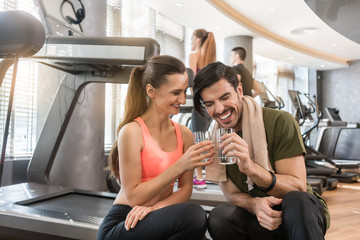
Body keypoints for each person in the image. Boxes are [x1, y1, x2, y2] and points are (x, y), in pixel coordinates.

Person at [192, 62, 329, 240]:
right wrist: (254, 204)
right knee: (220, 217)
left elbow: (298, 186)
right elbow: (231, 194)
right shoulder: (215, 137)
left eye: (225, 97)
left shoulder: (280, 121)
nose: (219, 109)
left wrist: (250, 167)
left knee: (297, 201)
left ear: (239, 90)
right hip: (259, 215)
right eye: (209, 104)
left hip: (299, 213)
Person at [97, 55, 214, 240]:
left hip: (156, 215)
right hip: (126, 221)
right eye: (176, 93)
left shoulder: (183, 133)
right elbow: (135, 197)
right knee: (194, 215)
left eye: (185, 92)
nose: (183, 100)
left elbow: (185, 190)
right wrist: (181, 165)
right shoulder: (132, 131)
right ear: (151, 91)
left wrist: (154, 209)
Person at [189, 28, 216, 189]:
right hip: (209, 105)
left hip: (199, 103)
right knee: (200, 137)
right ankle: (199, 175)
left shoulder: (194, 56)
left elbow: (192, 80)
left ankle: (199, 177)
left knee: (197, 139)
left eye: (192, 39)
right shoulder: (211, 59)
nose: (191, 43)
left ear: (198, 40)